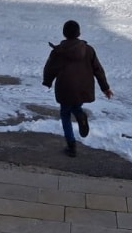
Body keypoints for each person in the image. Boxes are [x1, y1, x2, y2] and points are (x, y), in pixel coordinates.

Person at [42, 20, 113, 158]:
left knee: (65, 114)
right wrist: (105, 88)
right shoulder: (88, 50)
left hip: (65, 88)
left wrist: (47, 81)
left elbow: (50, 68)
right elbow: (98, 70)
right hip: (82, 88)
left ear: (64, 33)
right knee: (75, 105)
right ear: (79, 33)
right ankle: (80, 114)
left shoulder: (59, 51)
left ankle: (71, 146)